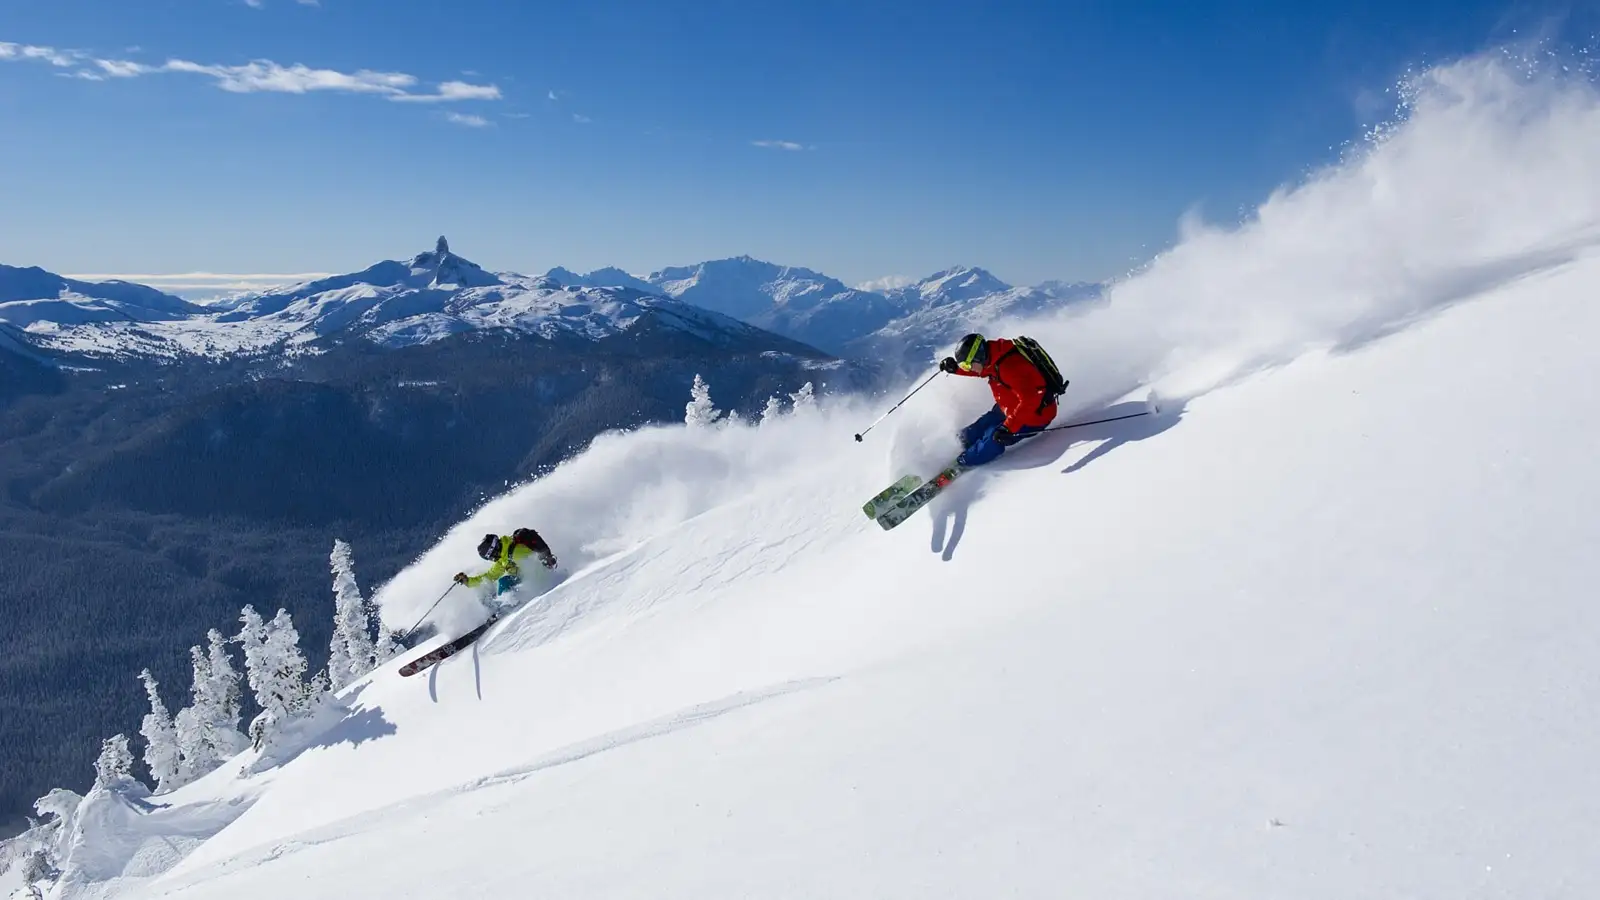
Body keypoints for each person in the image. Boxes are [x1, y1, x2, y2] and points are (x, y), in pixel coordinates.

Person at [939, 333, 1061, 466]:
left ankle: (966, 461)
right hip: (1009, 407)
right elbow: (982, 370)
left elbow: (1031, 399)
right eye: (965, 366)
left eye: (968, 365)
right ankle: (953, 446)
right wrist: (956, 369)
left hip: (1034, 416)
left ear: (978, 356)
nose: (969, 368)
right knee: (981, 426)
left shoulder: (1010, 366)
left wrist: (1008, 428)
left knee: (993, 437)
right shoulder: (993, 356)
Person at [454, 528, 558, 612]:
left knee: (503, 582)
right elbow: (490, 576)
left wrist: (530, 591)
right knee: (501, 583)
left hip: (540, 580)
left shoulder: (515, 553)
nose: (492, 559)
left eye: (490, 556)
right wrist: (467, 581)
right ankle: (503, 605)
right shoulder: (504, 558)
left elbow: (535, 566)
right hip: (528, 578)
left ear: (494, 550)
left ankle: (506, 608)